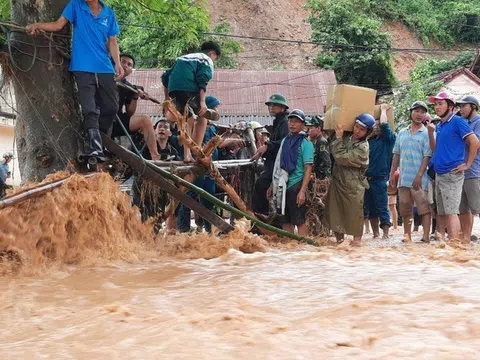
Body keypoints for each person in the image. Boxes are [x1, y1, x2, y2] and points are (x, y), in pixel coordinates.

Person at [27, 0, 124, 162]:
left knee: (112, 107)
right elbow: (58, 25)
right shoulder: (76, 6)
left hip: (105, 67)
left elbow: (112, 41)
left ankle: (97, 139)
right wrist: (37, 25)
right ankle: (94, 147)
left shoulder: (109, 13)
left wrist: (118, 63)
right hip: (83, 66)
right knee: (89, 108)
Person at [427, 91, 479, 242]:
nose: (436, 107)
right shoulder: (440, 125)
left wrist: (467, 164)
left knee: (451, 212)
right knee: (441, 213)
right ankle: (444, 246)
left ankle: (455, 246)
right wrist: (431, 133)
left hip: (452, 172)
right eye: (435, 104)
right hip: (440, 173)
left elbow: (474, 142)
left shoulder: (458, 122)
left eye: (440, 104)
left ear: (450, 106)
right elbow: (435, 148)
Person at [162, 41, 221, 163]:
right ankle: (197, 150)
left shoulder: (182, 58)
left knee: (186, 119)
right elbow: (203, 79)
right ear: (212, 53)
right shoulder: (206, 59)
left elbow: (165, 76)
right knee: (202, 115)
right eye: (215, 58)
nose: (214, 60)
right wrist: (203, 102)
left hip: (174, 90)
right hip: (188, 88)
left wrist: (166, 98)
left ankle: (187, 155)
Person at [323, 114, 373, 246]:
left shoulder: (363, 146)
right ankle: (340, 242)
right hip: (338, 181)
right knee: (336, 212)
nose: (357, 131)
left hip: (354, 185)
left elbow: (342, 157)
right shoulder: (346, 137)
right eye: (356, 127)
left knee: (355, 214)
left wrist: (338, 139)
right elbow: (330, 131)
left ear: (367, 132)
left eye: (362, 129)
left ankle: (357, 244)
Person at [390, 101, 432, 243]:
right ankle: (407, 236)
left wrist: (419, 176)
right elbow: (396, 154)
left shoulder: (426, 133)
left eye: (422, 112)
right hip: (403, 179)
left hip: (420, 179)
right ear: (411, 112)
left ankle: (425, 236)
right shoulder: (402, 132)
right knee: (405, 209)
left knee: (424, 208)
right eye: (416, 111)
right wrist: (392, 174)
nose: (419, 114)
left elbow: (427, 156)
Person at [177, 95, 221, 233]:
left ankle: (209, 231)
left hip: (209, 171)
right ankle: (183, 229)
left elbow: (216, 144)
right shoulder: (196, 126)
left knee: (209, 200)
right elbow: (194, 145)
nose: (216, 110)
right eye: (214, 108)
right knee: (188, 198)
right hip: (197, 169)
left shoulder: (212, 128)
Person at [269, 109, 313, 237]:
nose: (292, 124)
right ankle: (290, 249)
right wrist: (272, 185)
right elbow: (278, 164)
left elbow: (308, 169)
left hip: (296, 184)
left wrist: (302, 191)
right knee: (284, 218)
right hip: (282, 184)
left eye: (296, 122)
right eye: (290, 121)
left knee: (299, 220)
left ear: (303, 125)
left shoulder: (306, 144)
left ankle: (303, 249)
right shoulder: (285, 141)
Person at [132, 120, 179, 232]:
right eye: (159, 127)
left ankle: (153, 237)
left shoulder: (173, 152)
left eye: (166, 127)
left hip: (161, 188)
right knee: (140, 211)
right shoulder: (144, 146)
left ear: (170, 133)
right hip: (143, 185)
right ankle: (140, 236)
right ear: (154, 131)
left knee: (158, 212)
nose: (162, 129)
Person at [112, 53, 160, 160]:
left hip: (116, 121)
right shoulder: (105, 77)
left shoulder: (129, 87)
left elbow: (130, 113)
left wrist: (135, 96)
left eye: (129, 65)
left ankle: (155, 157)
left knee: (145, 120)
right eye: (122, 61)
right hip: (100, 119)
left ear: (130, 70)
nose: (125, 65)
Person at [252, 93, 289, 216]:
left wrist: (268, 146)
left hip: (279, 165)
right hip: (272, 163)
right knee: (262, 188)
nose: (272, 107)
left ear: (283, 108)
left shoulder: (285, 122)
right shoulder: (278, 121)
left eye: (275, 105)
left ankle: (261, 219)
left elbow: (284, 143)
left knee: (261, 186)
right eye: (270, 105)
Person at [364, 104, 396, 239]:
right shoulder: (368, 141)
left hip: (380, 179)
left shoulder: (388, 139)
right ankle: (375, 234)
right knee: (370, 209)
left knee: (382, 207)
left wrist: (383, 110)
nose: (377, 126)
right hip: (366, 180)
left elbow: (384, 124)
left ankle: (386, 235)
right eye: (374, 124)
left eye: (378, 123)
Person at [457, 95, 480, 242]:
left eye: (464, 106)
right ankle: (466, 239)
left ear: (473, 107)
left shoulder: (478, 122)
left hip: (474, 171)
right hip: (462, 172)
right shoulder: (464, 122)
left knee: (477, 207)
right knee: (463, 208)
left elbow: (475, 143)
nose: (461, 109)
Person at [306, 115, 331, 180]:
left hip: (319, 178)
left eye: (311, 128)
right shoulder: (315, 141)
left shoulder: (321, 142)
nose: (309, 131)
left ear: (319, 128)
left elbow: (325, 162)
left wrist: (319, 177)